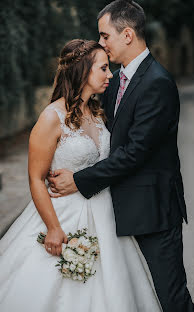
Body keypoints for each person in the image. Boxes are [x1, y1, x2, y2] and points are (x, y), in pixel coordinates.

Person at [47, 1, 194, 312]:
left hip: (152, 210)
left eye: (105, 36)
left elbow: (135, 153)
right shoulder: (115, 80)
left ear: (127, 34)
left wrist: (78, 180)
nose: (101, 44)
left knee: (173, 301)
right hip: (113, 209)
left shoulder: (157, 82)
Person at [0, 39, 162, 311]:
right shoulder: (51, 117)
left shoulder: (97, 112)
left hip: (106, 216)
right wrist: (53, 228)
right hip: (63, 216)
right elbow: (35, 178)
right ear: (84, 72)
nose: (110, 74)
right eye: (103, 68)